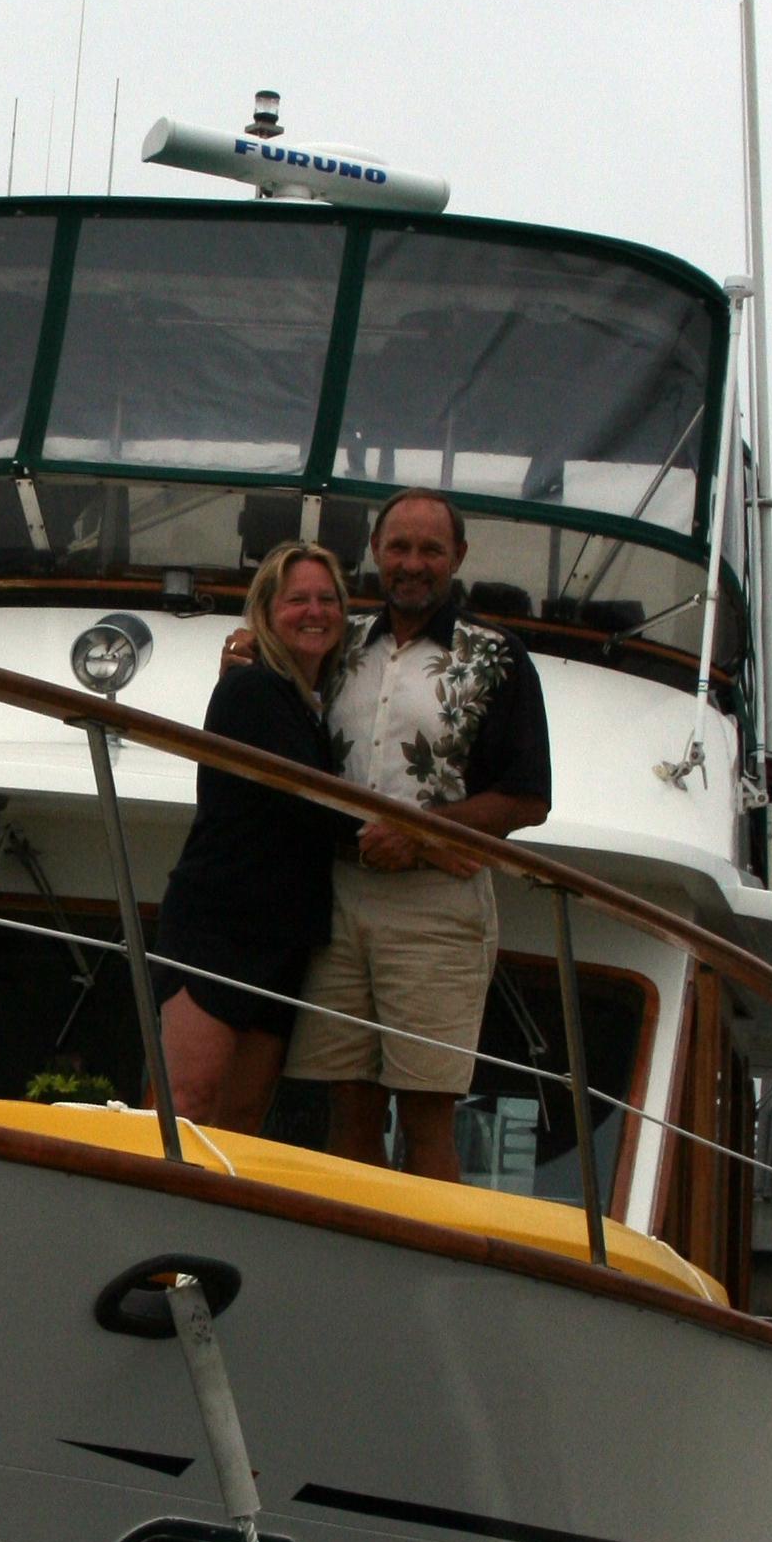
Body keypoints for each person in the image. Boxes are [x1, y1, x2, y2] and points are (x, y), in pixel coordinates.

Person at [275, 489, 550, 1180]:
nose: (413, 563)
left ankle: (434, 1284)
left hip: (436, 905)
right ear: (374, 551)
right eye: (399, 547)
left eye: (431, 549)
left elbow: (528, 799)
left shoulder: (498, 658)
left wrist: (417, 832)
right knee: (351, 1108)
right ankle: (356, 1267)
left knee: (428, 1120)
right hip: (336, 897)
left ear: (457, 556)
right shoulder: (340, 646)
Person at [151, 541, 350, 1129]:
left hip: (282, 939)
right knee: (186, 1106)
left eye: (326, 598)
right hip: (219, 929)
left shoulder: (312, 706)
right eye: (297, 600)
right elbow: (310, 803)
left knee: (239, 1121)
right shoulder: (251, 691)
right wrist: (414, 835)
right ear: (265, 612)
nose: (314, 611)